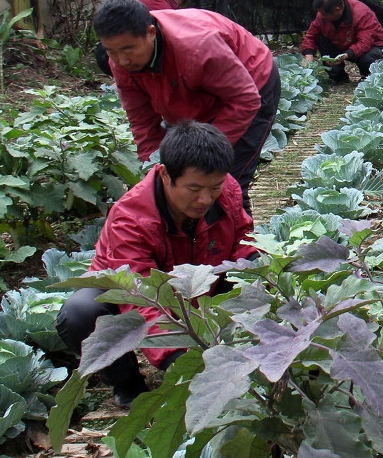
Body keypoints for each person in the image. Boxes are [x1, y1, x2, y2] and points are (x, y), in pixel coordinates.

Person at [55, 121, 255, 407]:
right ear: (164, 174)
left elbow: (242, 238)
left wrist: (252, 262)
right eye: (194, 188)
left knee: (251, 274)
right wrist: (178, 359)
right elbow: (140, 297)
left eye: (214, 187)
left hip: (202, 280)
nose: (205, 199)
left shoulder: (226, 191)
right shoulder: (131, 219)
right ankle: (129, 386)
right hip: (137, 292)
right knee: (80, 313)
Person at [94, 0, 280, 212]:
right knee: (180, 187)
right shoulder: (122, 62)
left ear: (150, 33)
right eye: (112, 52)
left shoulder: (198, 45)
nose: (121, 60)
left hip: (250, 86)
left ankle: (241, 243)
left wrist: (206, 153)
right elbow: (142, 123)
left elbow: (245, 99)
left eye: (128, 50)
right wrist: (159, 171)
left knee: (220, 184)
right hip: (191, 97)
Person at [301, 0, 383, 82]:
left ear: (337, 10)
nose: (321, 16)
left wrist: (346, 55)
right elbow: (311, 35)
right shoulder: (323, 15)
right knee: (323, 40)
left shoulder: (361, 13)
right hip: (345, 44)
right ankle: (337, 78)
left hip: (373, 47)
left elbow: (365, 43)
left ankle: (368, 78)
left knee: (369, 57)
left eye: (324, 14)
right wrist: (309, 55)